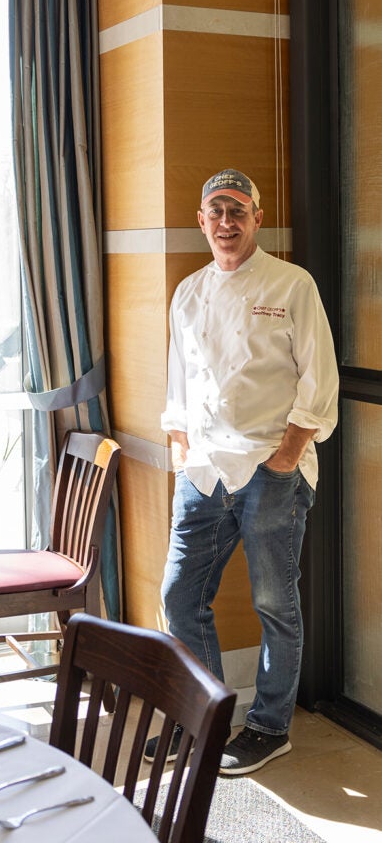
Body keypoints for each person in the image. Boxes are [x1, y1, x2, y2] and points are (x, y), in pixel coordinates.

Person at [147, 169, 339, 775]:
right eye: (216, 211)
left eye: (238, 210)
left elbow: (319, 379)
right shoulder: (188, 292)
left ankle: (269, 727)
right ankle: (204, 719)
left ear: (257, 217)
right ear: (201, 221)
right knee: (180, 597)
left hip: (269, 469)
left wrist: (286, 457)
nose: (226, 222)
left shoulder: (292, 284)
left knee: (274, 604)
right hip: (202, 471)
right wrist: (181, 448)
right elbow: (179, 381)